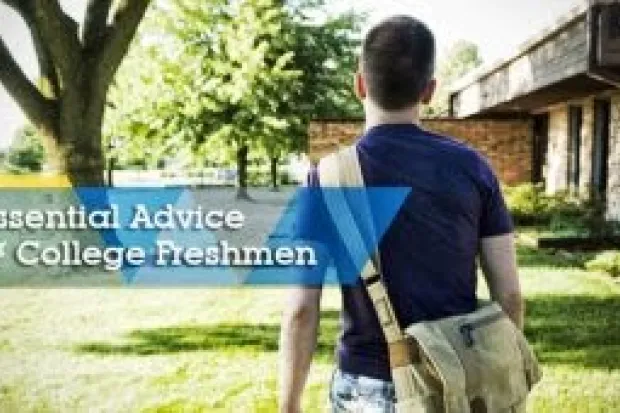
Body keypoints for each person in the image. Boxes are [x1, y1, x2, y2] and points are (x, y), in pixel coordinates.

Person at [278, 15, 523, 413]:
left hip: (364, 387)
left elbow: (301, 311)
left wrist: (288, 406)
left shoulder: (326, 179)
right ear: (429, 91)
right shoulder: (473, 168)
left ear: (359, 83)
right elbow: (509, 295)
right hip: (454, 380)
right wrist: (502, 373)